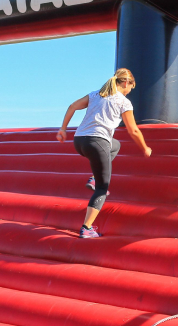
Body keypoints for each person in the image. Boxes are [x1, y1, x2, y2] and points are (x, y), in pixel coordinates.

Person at [57, 68, 152, 238]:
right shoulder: (123, 102)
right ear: (125, 83)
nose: (130, 91)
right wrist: (145, 148)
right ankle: (87, 228)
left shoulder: (95, 95)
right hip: (97, 142)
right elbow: (134, 131)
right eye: (131, 87)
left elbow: (72, 106)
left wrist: (63, 129)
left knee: (115, 144)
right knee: (102, 189)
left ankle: (94, 177)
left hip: (79, 141)